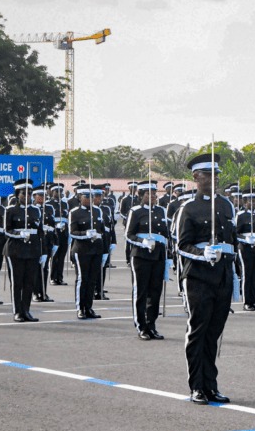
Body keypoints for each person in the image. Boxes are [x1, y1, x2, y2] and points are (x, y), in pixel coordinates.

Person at [175, 153, 235, 405]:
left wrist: (235, 273)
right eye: (209, 174)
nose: (214, 178)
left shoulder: (226, 205)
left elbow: (232, 240)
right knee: (198, 331)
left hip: (222, 275)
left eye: (216, 174)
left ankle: (211, 385)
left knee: (214, 333)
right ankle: (197, 386)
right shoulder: (188, 208)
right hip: (198, 277)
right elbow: (181, 245)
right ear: (196, 177)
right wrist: (202, 254)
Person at [125, 180, 170, 340]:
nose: (152, 196)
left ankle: (151, 325)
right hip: (141, 256)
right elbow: (129, 235)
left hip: (158, 255)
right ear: (141, 195)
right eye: (148, 194)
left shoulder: (161, 211)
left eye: (154, 193)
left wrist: (169, 256)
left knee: (155, 292)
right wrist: (142, 242)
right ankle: (141, 326)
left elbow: (166, 235)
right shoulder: (135, 211)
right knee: (141, 292)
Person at [4, 179, 45, 322]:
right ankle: (17, 312)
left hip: (32, 250)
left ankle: (26, 310)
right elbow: (6, 230)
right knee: (17, 282)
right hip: (15, 250)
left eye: (29, 193)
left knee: (29, 282)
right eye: (23, 193)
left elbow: (40, 232)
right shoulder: (10, 210)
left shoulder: (36, 210)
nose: (27, 196)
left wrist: (42, 251)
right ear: (17, 194)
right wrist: (19, 234)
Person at [69, 184, 105, 319]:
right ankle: (80, 308)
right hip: (81, 250)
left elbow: (101, 229)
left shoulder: (97, 211)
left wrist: (98, 237)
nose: (90, 199)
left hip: (96, 249)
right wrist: (85, 234)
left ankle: (89, 307)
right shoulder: (74, 212)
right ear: (80, 197)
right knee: (82, 279)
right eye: (86, 196)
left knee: (92, 280)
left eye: (92, 196)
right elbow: (72, 232)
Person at [33, 183, 57, 302]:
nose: (42, 197)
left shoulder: (49, 208)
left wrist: (56, 242)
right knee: (35, 269)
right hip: (36, 242)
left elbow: (54, 225)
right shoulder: (32, 208)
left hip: (47, 241)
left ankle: (43, 292)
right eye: (39, 195)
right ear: (34, 196)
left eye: (43, 195)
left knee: (45, 268)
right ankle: (35, 293)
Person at [93, 186, 116, 300]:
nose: (99, 198)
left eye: (100, 196)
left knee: (103, 266)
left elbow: (111, 226)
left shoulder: (106, 208)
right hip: (94, 240)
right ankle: (92, 290)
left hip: (106, 240)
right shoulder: (90, 210)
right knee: (94, 267)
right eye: (96, 196)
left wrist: (113, 241)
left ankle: (100, 290)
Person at [48, 183, 69, 286]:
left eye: (61, 191)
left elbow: (67, 218)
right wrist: (56, 225)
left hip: (63, 233)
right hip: (54, 233)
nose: (59, 193)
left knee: (61, 257)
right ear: (52, 192)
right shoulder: (49, 204)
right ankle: (53, 277)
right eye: (57, 191)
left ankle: (59, 277)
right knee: (54, 256)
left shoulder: (64, 204)